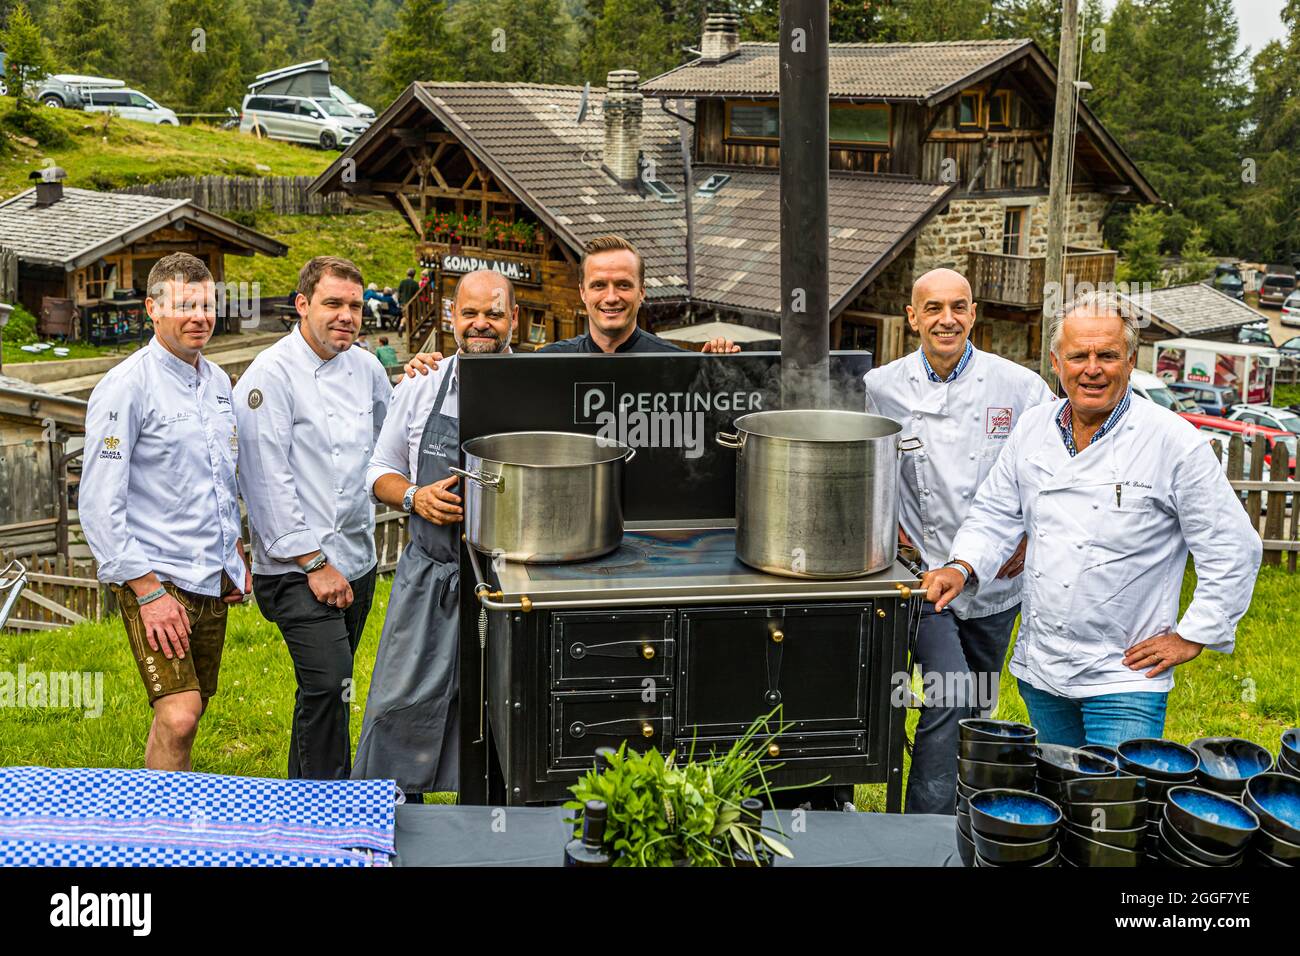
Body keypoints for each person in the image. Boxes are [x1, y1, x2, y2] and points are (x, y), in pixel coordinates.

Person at [923, 293, 1262, 748]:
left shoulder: (1173, 442)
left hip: (1125, 675)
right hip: (1043, 668)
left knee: (1112, 789)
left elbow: (1233, 546)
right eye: (1078, 356)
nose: (1092, 369)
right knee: (1055, 786)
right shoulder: (1033, 428)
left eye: (1107, 355)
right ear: (1056, 363)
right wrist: (962, 566)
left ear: (1131, 361)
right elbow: (995, 513)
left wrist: (1194, 633)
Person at [864, 267, 1054, 815]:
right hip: (926, 575)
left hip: (997, 581)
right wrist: (890, 528)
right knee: (951, 691)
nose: (946, 319)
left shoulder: (1019, 387)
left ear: (973, 314)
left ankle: (966, 817)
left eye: (957, 307)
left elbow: (1052, 464)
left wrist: (1030, 532)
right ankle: (923, 828)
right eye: (933, 308)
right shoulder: (883, 386)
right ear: (913, 318)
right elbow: (872, 470)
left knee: (977, 706)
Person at [80, 252, 251, 771]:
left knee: (189, 712)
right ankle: (162, 823)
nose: (199, 317)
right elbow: (99, 501)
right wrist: (148, 591)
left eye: (207, 305)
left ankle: (157, 808)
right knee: (179, 715)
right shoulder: (125, 387)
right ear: (152, 309)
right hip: (154, 573)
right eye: (184, 305)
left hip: (211, 574)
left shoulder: (218, 382)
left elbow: (219, 477)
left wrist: (233, 554)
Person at [352, 269, 517, 800]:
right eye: (469, 313)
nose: (481, 324)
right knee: (397, 706)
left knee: (501, 714)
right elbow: (379, 470)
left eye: (493, 313)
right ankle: (393, 820)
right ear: (452, 318)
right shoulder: (421, 383)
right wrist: (414, 497)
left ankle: (491, 820)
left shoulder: (537, 384)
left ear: (514, 319)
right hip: (430, 577)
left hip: (512, 585)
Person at [233, 256, 392, 780]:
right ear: (302, 305)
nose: (347, 315)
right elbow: (264, 481)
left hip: (357, 559)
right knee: (329, 682)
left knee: (325, 691)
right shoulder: (269, 376)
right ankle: (330, 803)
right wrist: (314, 563)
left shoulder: (367, 368)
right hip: (296, 567)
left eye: (355, 305)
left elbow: (389, 446)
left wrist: (424, 376)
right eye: (333, 303)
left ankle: (302, 801)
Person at [541, 235, 740, 354]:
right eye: (599, 285)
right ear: (583, 292)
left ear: (641, 292)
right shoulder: (548, 363)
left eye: (623, 285)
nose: (611, 298)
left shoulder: (675, 365)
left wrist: (719, 374)